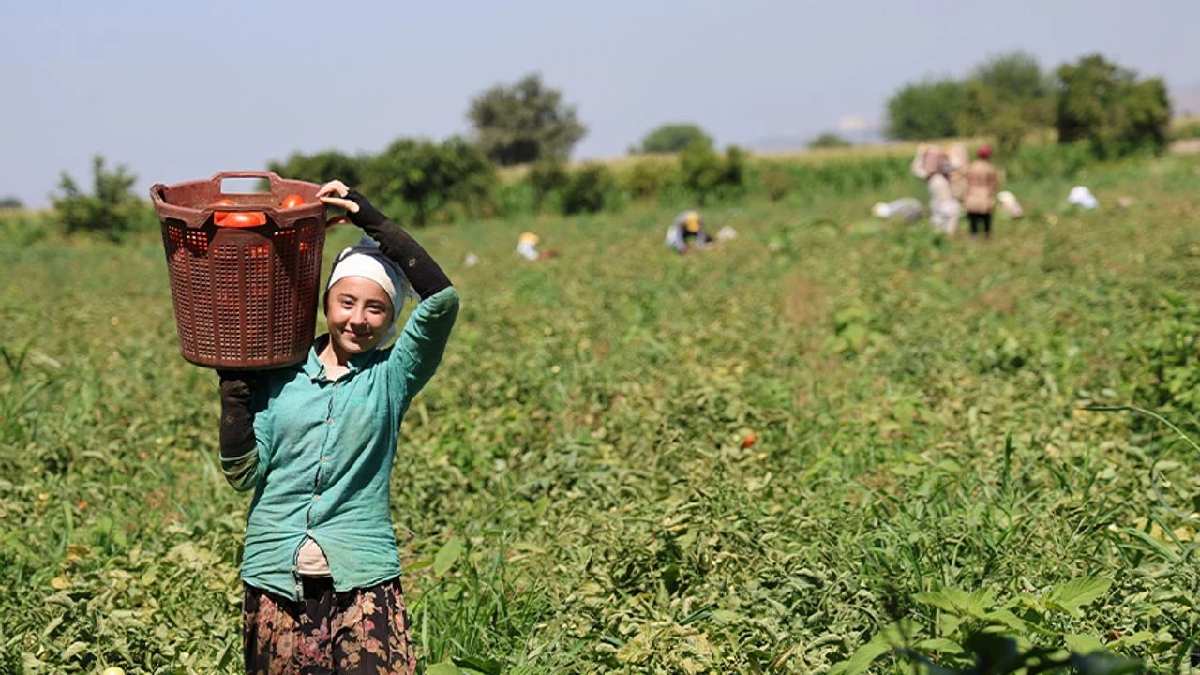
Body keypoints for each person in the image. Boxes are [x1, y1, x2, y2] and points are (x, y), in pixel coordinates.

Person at [216, 180, 458, 673]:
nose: (358, 319)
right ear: (327, 301)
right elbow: (242, 475)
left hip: (363, 576)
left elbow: (442, 300)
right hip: (274, 575)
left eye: (376, 308)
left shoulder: (392, 376)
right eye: (347, 302)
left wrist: (373, 221)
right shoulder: (280, 374)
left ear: (391, 317)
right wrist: (234, 398)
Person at [963, 145, 1000, 237]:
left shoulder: (972, 166)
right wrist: (992, 193)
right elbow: (994, 183)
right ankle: (987, 235)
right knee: (986, 217)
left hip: (972, 193)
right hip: (985, 193)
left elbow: (966, 180)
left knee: (973, 217)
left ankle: (973, 235)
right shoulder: (990, 167)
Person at [926, 160, 960, 235]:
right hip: (943, 206)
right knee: (946, 228)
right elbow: (949, 196)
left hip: (936, 205)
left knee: (937, 227)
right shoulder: (941, 181)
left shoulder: (935, 179)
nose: (950, 173)